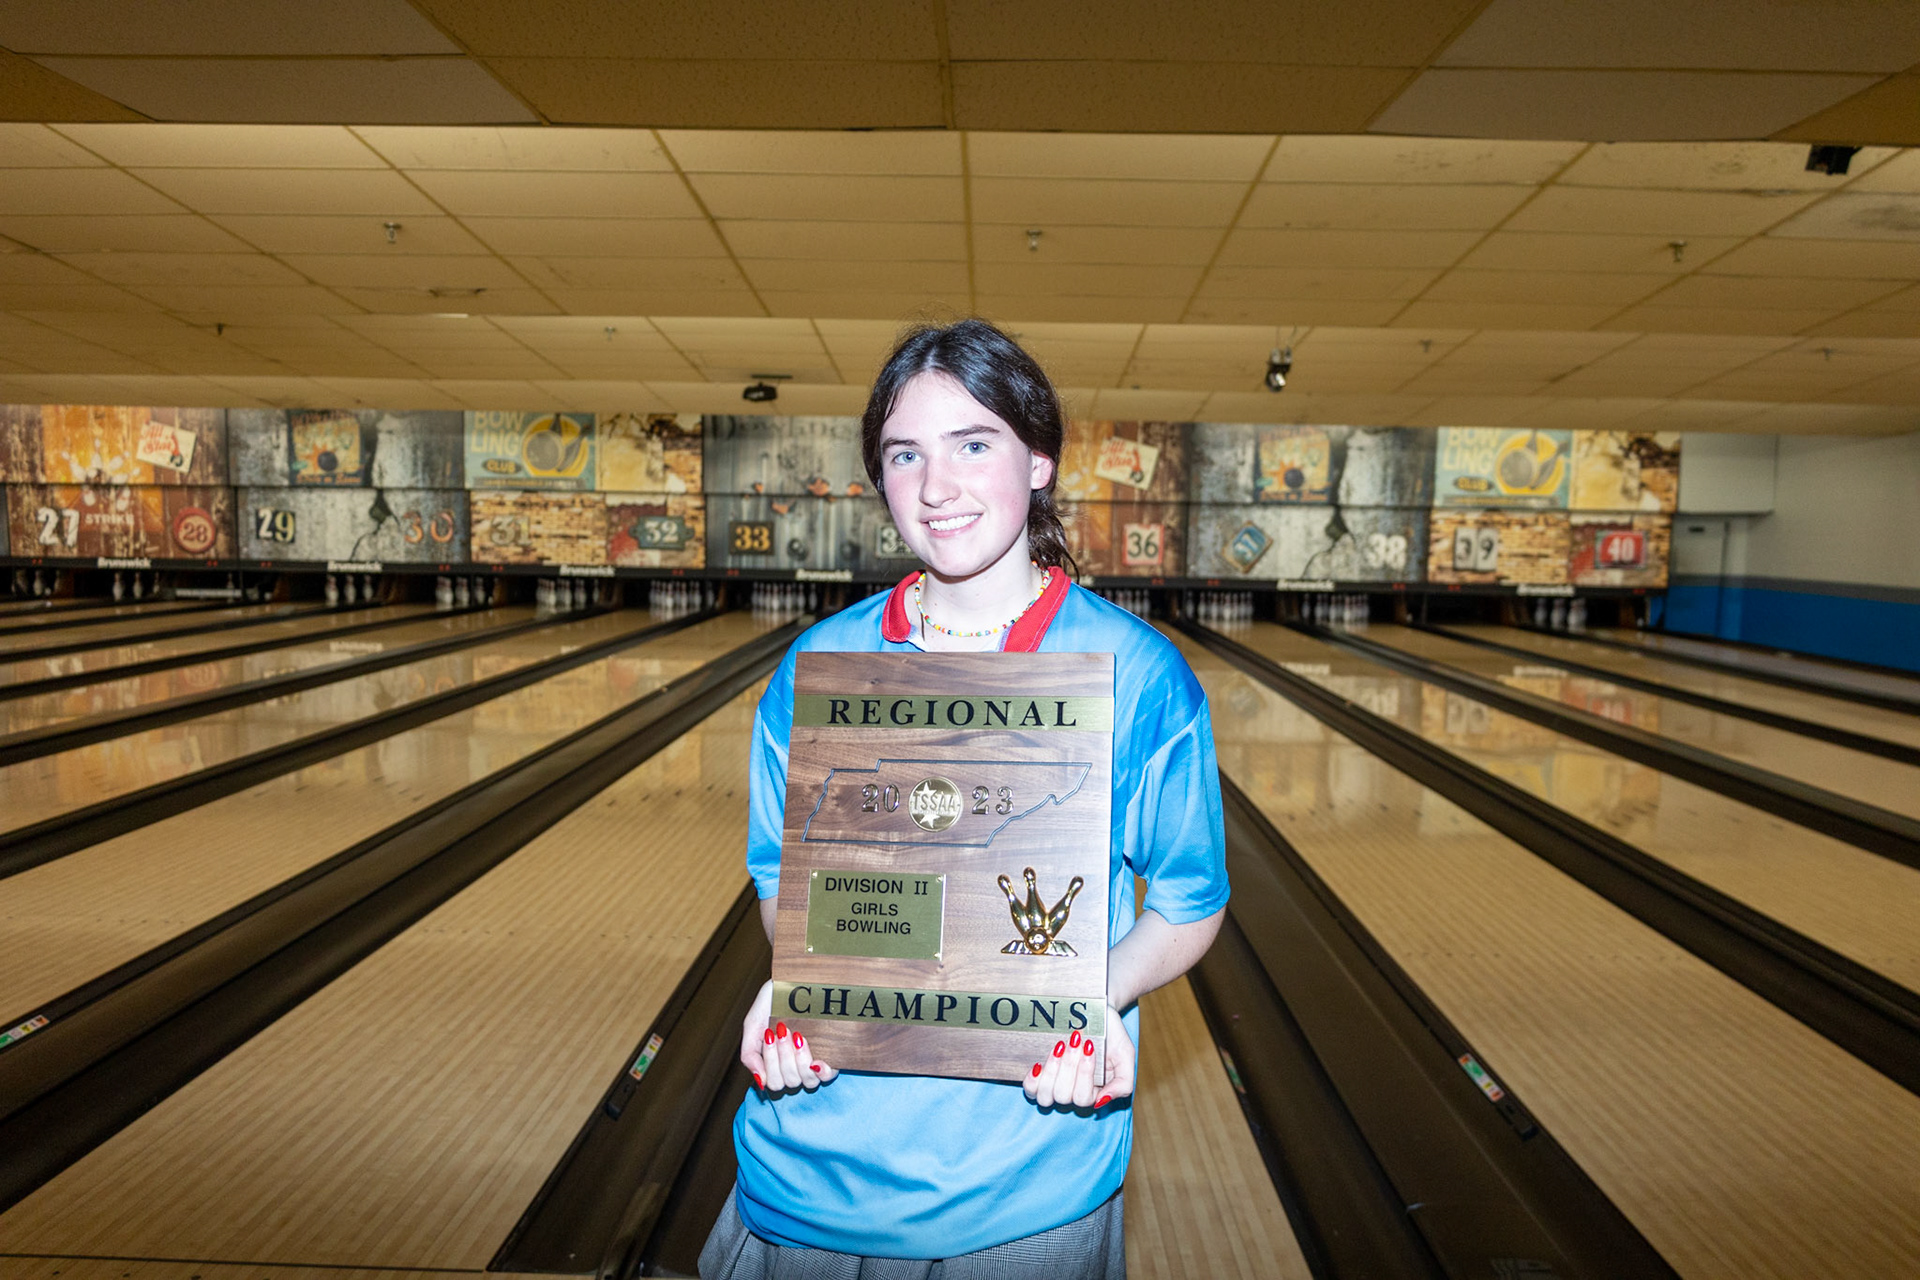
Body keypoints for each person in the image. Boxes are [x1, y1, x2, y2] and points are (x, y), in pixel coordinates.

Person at [701, 318, 1228, 1279]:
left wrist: (1086, 997)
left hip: (1022, 1192)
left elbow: (1191, 901)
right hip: (805, 1174)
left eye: (972, 445)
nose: (935, 488)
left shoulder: (1136, 673)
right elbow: (782, 875)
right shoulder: (819, 664)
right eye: (905, 455)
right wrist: (797, 986)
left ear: (1038, 461)